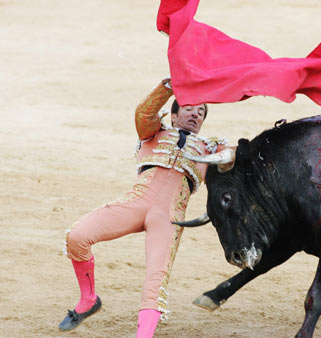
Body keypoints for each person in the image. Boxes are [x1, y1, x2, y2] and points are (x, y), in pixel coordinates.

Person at [59, 78, 227, 337]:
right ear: (173, 115)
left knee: (155, 283)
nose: (196, 113)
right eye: (191, 107)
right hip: (135, 203)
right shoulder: (153, 132)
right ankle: (88, 300)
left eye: (202, 111)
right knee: (77, 237)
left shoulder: (210, 149)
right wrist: (168, 87)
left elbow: (238, 161)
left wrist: (237, 151)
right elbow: (144, 112)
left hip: (169, 218)